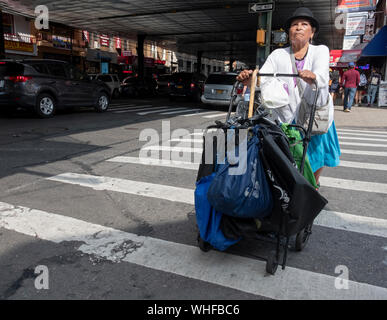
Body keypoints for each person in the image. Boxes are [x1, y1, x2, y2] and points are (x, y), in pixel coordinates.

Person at [237, 7, 341, 187]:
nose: (299, 28)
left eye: (304, 24)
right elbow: (264, 77)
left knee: (314, 155)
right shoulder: (278, 54)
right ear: (288, 32)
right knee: (290, 155)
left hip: (314, 115)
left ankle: (312, 186)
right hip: (287, 116)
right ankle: (294, 187)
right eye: (294, 25)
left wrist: (314, 77)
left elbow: (322, 76)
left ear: (312, 32)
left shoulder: (320, 51)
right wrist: (251, 80)